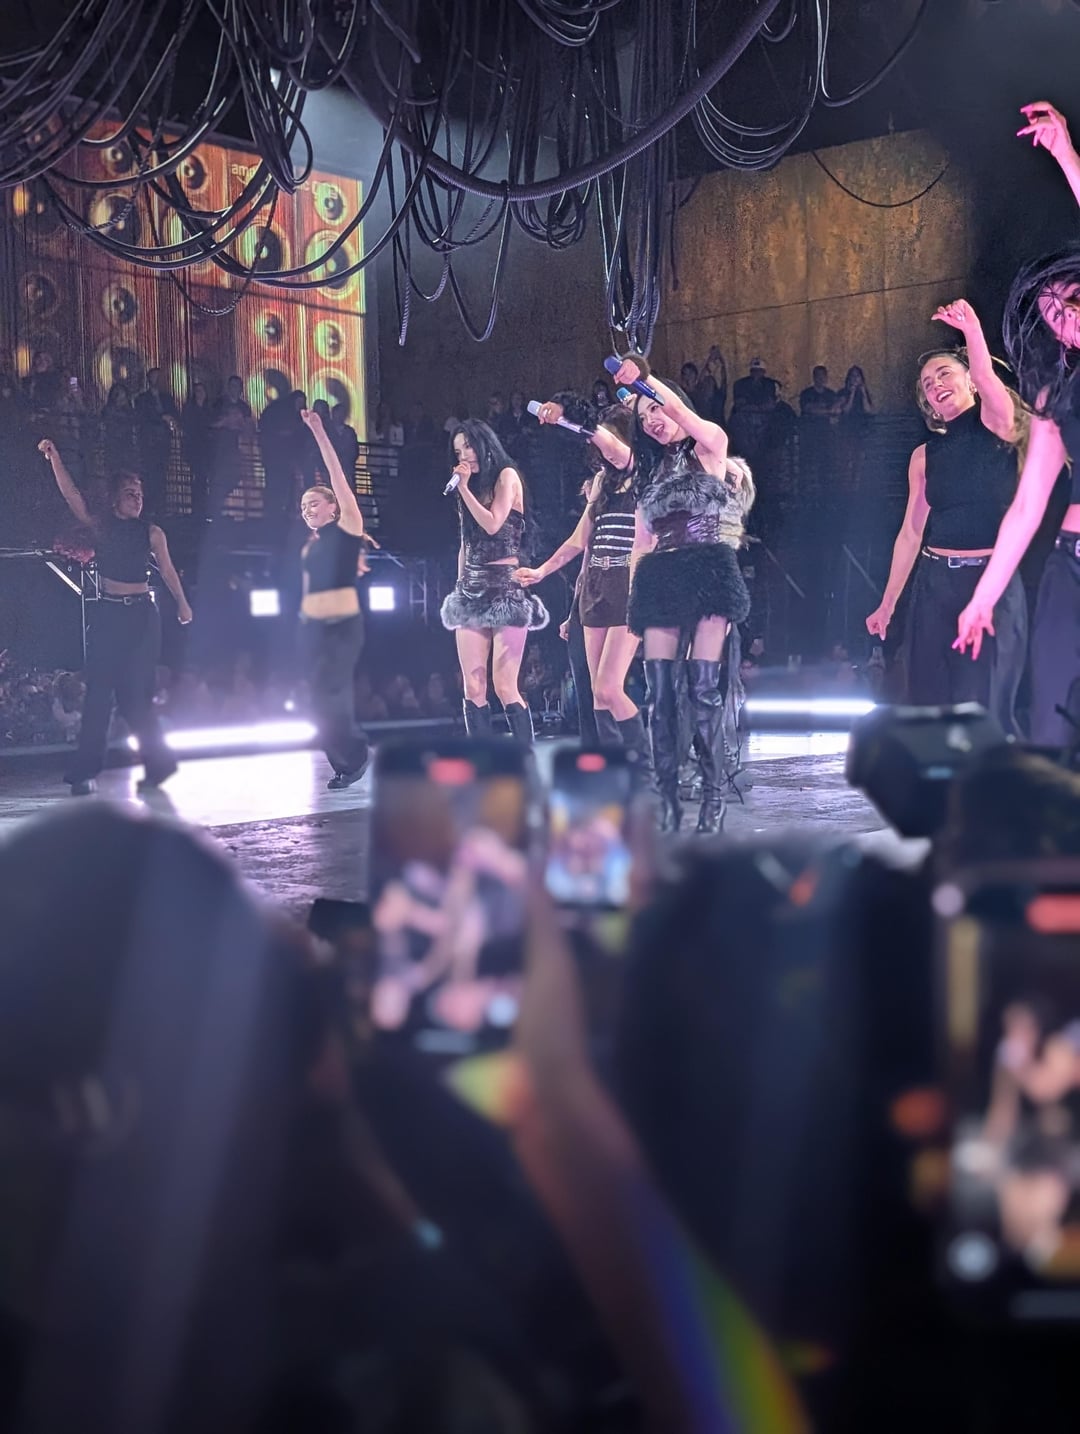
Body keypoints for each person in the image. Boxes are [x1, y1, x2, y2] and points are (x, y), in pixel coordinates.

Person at [956, 102, 1080, 745]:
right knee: (1051, 728)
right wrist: (983, 596)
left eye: (1071, 298)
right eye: (1052, 312)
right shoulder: (1058, 394)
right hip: (1070, 567)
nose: (1065, 314)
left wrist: (1065, 154)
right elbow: (1027, 507)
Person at [866, 301, 1027, 733]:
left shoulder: (998, 424)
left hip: (992, 584)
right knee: (929, 699)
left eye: (944, 374)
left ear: (970, 381)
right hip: (935, 585)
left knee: (986, 702)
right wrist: (888, 603)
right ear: (930, 406)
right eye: (927, 383)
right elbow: (910, 532)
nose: (935, 384)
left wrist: (971, 332)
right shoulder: (923, 457)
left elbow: (990, 381)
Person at [614, 356, 755, 833]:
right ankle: (668, 799)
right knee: (658, 693)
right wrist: (633, 600)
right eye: (643, 418)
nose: (653, 420)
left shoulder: (709, 444)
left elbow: (678, 410)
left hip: (709, 568)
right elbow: (640, 543)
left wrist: (645, 379)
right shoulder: (649, 473)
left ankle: (714, 799)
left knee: (702, 688)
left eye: (655, 409)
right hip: (660, 576)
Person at [38, 438, 192, 795]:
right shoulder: (101, 526)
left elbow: (168, 570)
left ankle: (159, 764)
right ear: (114, 499)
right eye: (129, 493)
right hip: (109, 615)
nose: (136, 498)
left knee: (136, 698)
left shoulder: (152, 532)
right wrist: (55, 458)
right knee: (99, 696)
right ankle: (84, 773)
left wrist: (183, 604)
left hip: (142, 618)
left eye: (139, 493)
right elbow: (72, 495)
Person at [515, 403, 647, 771]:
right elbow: (579, 540)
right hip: (595, 587)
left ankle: (644, 762)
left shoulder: (643, 473)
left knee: (609, 687)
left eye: (610, 439)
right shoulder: (603, 481)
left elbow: (616, 448)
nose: (604, 449)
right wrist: (541, 571)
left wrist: (566, 417)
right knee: (595, 693)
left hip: (626, 583)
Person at [439, 419, 548, 743]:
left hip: (505, 588)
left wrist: (463, 489)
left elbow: (492, 524)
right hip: (471, 588)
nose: (464, 455)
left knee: (504, 686)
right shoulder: (469, 488)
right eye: (458, 451)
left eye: (468, 447)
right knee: (473, 685)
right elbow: (466, 543)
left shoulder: (507, 476)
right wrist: (460, 586)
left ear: (484, 444)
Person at [297, 407, 372, 789]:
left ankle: (354, 759)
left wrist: (318, 431)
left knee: (330, 696)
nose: (307, 510)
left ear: (332, 507)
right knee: (315, 701)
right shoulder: (311, 547)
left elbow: (336, 473)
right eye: (303, 507)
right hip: (317, 627)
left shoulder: (347, 527)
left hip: (343, 627)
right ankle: (345, 763)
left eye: (313, 503)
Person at [181, 380, 214, 519]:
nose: (199, 393)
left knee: (204, 479)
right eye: (197, 391)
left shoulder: (209, 409)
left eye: (201, 391)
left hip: (207, 449)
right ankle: (198, 509)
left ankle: (204, 508)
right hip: (195, 448)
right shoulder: (190, 409)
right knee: (198, 478)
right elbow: (189, 427)